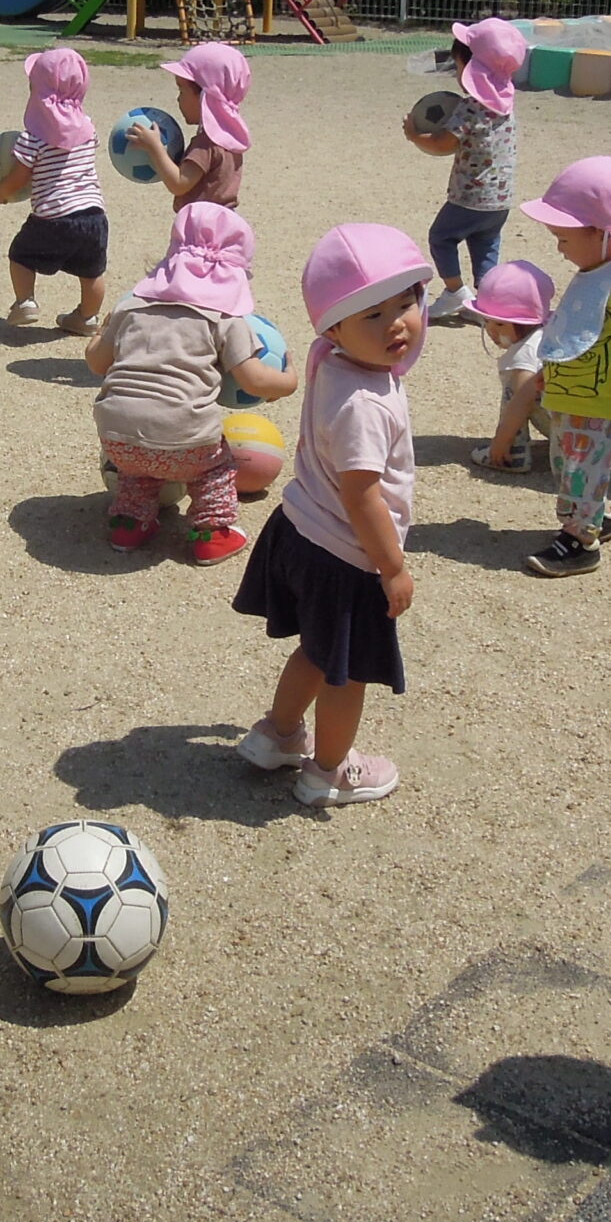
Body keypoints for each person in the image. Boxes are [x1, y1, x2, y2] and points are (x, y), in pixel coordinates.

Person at [232, 224, 431, 807]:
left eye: (406, 303)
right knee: (347, 674)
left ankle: (279, 734)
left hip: (300, 532)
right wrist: (391, 566)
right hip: (348, 557)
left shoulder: (332, 361)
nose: (397, 323)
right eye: (373, 314)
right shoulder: (365, 404)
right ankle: (327, 771)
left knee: (318, 653)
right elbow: (362, 494)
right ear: (334, 327)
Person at [84, 204, 298, 562]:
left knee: (139, 467)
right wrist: (287, 380)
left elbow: (96, 363)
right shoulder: (225, 319)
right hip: (188, 443)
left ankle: (129, 524)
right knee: (215, 467)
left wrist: (103, 332)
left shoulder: (131, 307)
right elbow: (254, 380)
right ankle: (212, 534)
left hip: (118, 440)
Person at [519, 159, 611, 578]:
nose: (559, 248)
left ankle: (581, 541)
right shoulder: (593, 271)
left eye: (564, 238)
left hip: (602, 405)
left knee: (582, 471)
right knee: (567, 467)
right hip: (571, 400)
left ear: (603, 234)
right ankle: (598, 515)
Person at [402, 18, 526, 323]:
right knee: (485, 247)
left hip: (470, 198)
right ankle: (487, 304)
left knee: (441, 237)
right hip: (500, 200)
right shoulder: (505, 102)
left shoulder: (470, 107)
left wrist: (415, 135)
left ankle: (456, 291)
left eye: (458, 67)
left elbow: (444, 144)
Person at [0, 46, 109, 335]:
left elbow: (19, 178)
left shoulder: (33, 138)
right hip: (94, 215)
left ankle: (25, 302)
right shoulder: (88, 128)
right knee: (92, 271)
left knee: (20, 254)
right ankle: (87, 317)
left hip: (53, 216)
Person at [130, 42, 249, 209]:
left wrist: (154, 147)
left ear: (204, 98)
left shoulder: (206, 144)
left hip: (202, 225)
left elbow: (179, 183)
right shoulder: (231, 136)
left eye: (181, 90)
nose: (178, 99)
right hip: (224, 221)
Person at [473, 259, 554, 474]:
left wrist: (502, 439)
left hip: (566, 428)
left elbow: (522, 400)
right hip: (590, 429)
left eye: (500, 323)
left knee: (514, 393)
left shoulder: (526, 354)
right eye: (485, 320)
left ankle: (514, 453)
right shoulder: (549, 332)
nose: (491, 330)